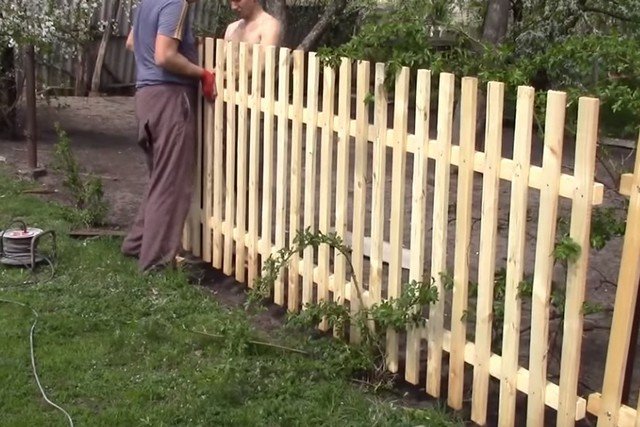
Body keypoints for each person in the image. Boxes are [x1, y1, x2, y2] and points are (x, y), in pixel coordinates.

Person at [121, 0, 216, 272]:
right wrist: (202, 73)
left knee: (160, 177)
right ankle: (155, 263)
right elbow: (164, 56)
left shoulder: (147, 3)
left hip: (146, 97)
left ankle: (137, 244)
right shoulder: (176, 3)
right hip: (169, 98)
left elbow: (132, 42)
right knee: (172, 183)